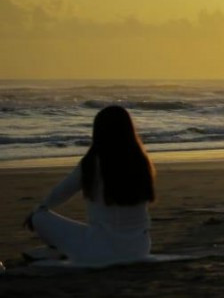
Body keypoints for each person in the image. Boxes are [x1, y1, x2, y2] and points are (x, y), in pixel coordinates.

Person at [23, 105, 155, 266]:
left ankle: (56, 250)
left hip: (100, 250)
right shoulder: (141, 161)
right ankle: (57, 250)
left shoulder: (94, 162)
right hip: (140, 248)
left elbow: (63, 191)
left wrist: (38, 208)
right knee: (101, 230)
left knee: (39, 217)